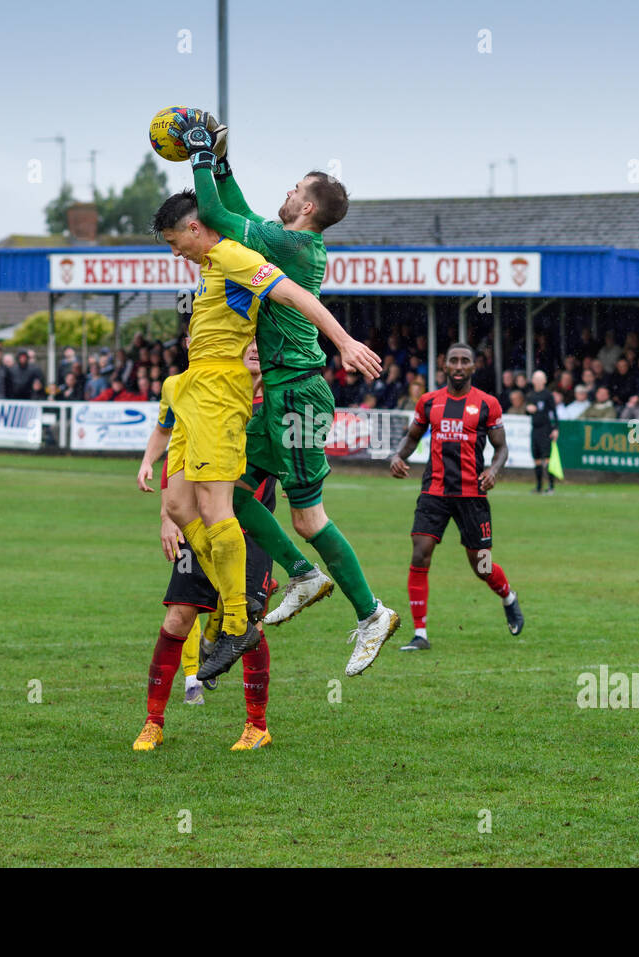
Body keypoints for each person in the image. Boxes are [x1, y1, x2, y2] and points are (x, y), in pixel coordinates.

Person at [176, 116, 399, 676]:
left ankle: (372, 613)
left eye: (295, 190)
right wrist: (221, 164)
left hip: (299, 393)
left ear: (306, 209)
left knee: (307, 516)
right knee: (233, 491)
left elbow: (221, 218)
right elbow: (243, 215)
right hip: (277, 392)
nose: (287, 193)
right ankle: (302, 576)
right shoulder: (287, 238)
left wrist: (200, 158)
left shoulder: (295, 243)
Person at [133, 342, 277, 751]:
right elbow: (175, 446)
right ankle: (153, 723)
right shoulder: (205, 391)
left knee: (249, 622)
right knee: (178, 618)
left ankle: (257, 725)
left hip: (251, 531)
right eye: (245, 341)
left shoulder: (278, 399)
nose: (253, 348)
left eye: (257, 341)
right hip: (199, 526)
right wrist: (167, 514)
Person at [388, 344, 521, 651]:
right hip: (434, 492)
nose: (459, 366)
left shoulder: (487, 404)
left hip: (472, 494)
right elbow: (411, 437)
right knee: (420, 552)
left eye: (465, 361)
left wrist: (494, 471)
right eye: (453, 361)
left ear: (474, 367)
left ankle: (508, 596)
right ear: (444, 366)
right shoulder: (429, 402)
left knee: (482, 566)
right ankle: (420, 634)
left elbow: (501, 448)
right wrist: (396, 456)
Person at [524, 370, 558, 494]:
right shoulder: (531, 395)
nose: (537, 382)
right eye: (535, 379)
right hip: (535, 429)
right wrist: (528, 409)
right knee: (536, 458)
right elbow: (526, 410)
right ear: (533, 381)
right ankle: (538, 487)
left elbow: (553, 413)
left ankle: (551, 486)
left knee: (547, 458)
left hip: (546, 429)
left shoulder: (548, 395)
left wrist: (555, 429)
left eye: (540, 379)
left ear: (544, 381)